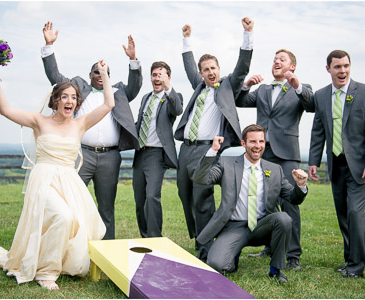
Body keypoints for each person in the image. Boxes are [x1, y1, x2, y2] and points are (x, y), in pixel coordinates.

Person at [0, 63, 110, 290]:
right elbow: (6, 110)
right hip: (44, 178)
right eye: (64, 97)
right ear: (55, 100)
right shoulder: (39, 122)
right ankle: (46, 272)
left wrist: (105, 74)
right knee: (63, 217)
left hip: (69, 181)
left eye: (73, 98)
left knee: (76, 222)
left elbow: (109, 103)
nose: (69, 101)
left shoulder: (80, 124)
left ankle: (57, 261)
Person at [40, 21, 142, 240]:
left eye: (104, 72)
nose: (99, 74)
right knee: (71, 201)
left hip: (110, 157)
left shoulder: (119, 92)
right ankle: (70, 244)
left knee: (106, 207)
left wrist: (133, 59)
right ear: (89, 73)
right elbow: (56, 78)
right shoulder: (78, 87)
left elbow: (135, 86)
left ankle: (106, 251)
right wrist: (49, 47)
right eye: (96, 71)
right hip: (81, 154)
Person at [175, 18, 253, 260]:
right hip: (185, 149)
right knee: (184, 194)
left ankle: (206, 248)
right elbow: (189, 67)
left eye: (213, 68)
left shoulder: (228, 85)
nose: (210, 72)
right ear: (201, 73)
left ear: (219, 70)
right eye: (206, 69)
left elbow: (242, 67)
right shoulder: (198, 86)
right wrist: (186, 39)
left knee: (202, 199)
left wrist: (247, 35)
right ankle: (200, 238)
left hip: (206, 151)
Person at [193, 125, 308, 283]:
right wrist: (213, 151)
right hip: (234, 226)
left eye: (261, 141)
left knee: (284, 218)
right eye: (253, 141)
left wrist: (301, 186)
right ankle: (233, 257)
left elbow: (293, 198)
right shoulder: (226, 163)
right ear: (243, 144)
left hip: (263, 225)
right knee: (217, 264)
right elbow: (201, 178)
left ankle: (276, 270)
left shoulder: (275, 169)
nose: (258, 146)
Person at [308, 49, 365, 279]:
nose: (342, 70)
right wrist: (314, 161)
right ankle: (349, 260)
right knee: (343, 214)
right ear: (328, 69)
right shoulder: (321, 96)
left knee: (355, 213)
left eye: (346, 66)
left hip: (362, 166)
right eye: (337, 67)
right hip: (335, 164)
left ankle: (356, 266)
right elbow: (318, 130)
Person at [236, 49, 315, 269]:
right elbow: (240, 100)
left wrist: (296, 84)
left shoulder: (301, 88)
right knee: (266, 202)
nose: (276, 62)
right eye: (274, 59)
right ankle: (270, 247)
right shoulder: (262, 90)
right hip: (263, 153)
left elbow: (312, 105)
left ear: (292, 66)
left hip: (287, 154)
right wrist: (246, 84)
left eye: (282, 59)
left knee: (289, 203)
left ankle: (293, 256)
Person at [133, 61, 183, 238]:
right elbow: (139, 124)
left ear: (168, 78)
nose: (157, 78)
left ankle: (155, 238)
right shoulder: (146, 98)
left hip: (156, 155)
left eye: (161, 75)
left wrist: (169, 88)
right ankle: (145, 236)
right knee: (140, 200)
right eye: (154, 75)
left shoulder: (172, 97)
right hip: (140, 153)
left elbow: (177, 110)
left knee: (152, 196)